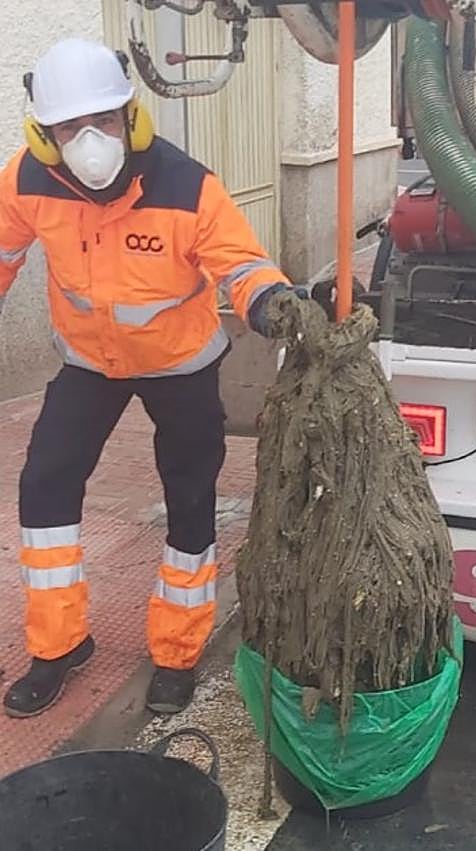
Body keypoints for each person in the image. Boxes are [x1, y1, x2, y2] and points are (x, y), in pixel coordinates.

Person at [0, 38, 304, 718]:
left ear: (130, 116)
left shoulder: (185, 184)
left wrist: (272, 303)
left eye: (104, 121)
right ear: (44, 135)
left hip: (181, 366)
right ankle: (57, 645)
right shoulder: (26, 181)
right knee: (44, 486)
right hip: (89, 364)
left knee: (189, 501)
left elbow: (241, 261)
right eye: (70, 128)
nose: (90, 140)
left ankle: (176, 651)